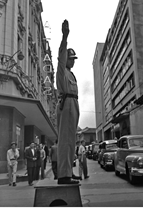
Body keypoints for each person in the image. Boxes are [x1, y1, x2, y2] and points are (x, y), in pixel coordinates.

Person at [56, 19, 80, 185]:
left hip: (73, 105)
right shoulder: (62, 70)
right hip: (67, 104)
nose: (72, 61)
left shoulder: (71, 74)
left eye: (73, 58)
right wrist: (65, 36)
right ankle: (64, 176)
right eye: (71, 58)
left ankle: (68, 171)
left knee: (71, 140)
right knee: (65, 140)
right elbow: (61, 54)